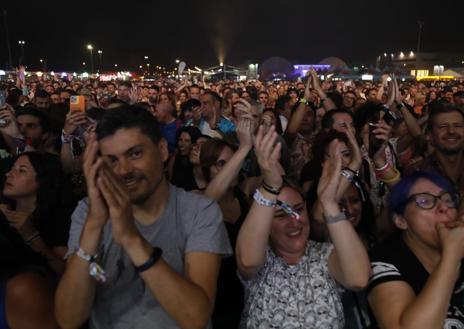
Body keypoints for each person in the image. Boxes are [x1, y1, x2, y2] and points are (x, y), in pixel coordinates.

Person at [55, 106, 231, 329]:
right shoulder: (88, 212)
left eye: (135, 153)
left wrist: (131, 239)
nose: (124, 170)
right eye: (112, 160)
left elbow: (195, 318)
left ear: (162, 150)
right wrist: (93, 226)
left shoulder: (198, 211)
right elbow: (68, 318)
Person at [236, 125, 370, 328]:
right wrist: (270, 187)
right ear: (266, 224)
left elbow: (359, 278)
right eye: (281, 214)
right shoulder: (261, 258)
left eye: (299, 209)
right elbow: (247, 261)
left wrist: (330, 203)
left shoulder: (325, 255)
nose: (295, 220)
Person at [368, 171, 464, 328]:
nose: (443, 207)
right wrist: (452, 256)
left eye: (448, 199)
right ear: (401, 221)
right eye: (425, 201)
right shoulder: (385, 260)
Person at [0, 152, 73, 329]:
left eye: (21, 170)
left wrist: (31, 235)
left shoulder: (58, 219)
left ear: (42, 181)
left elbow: (65, 272)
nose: (9, 174)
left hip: (33, 293)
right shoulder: (3, 210)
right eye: (11, 169)